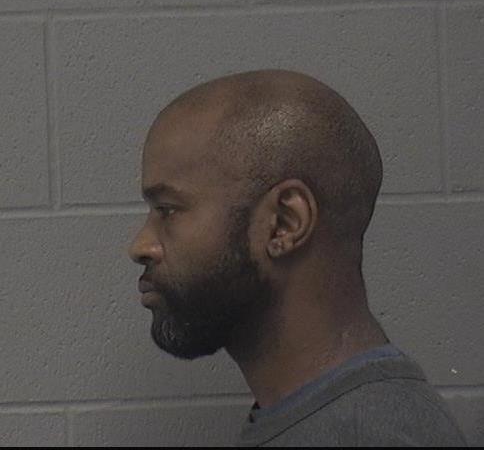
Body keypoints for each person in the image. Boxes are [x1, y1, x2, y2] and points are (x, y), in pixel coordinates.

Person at [128, 69, 467, 447]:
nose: (141, 246)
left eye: (168, 209)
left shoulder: (376, 436)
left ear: (285, 223)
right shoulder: (317, 420)